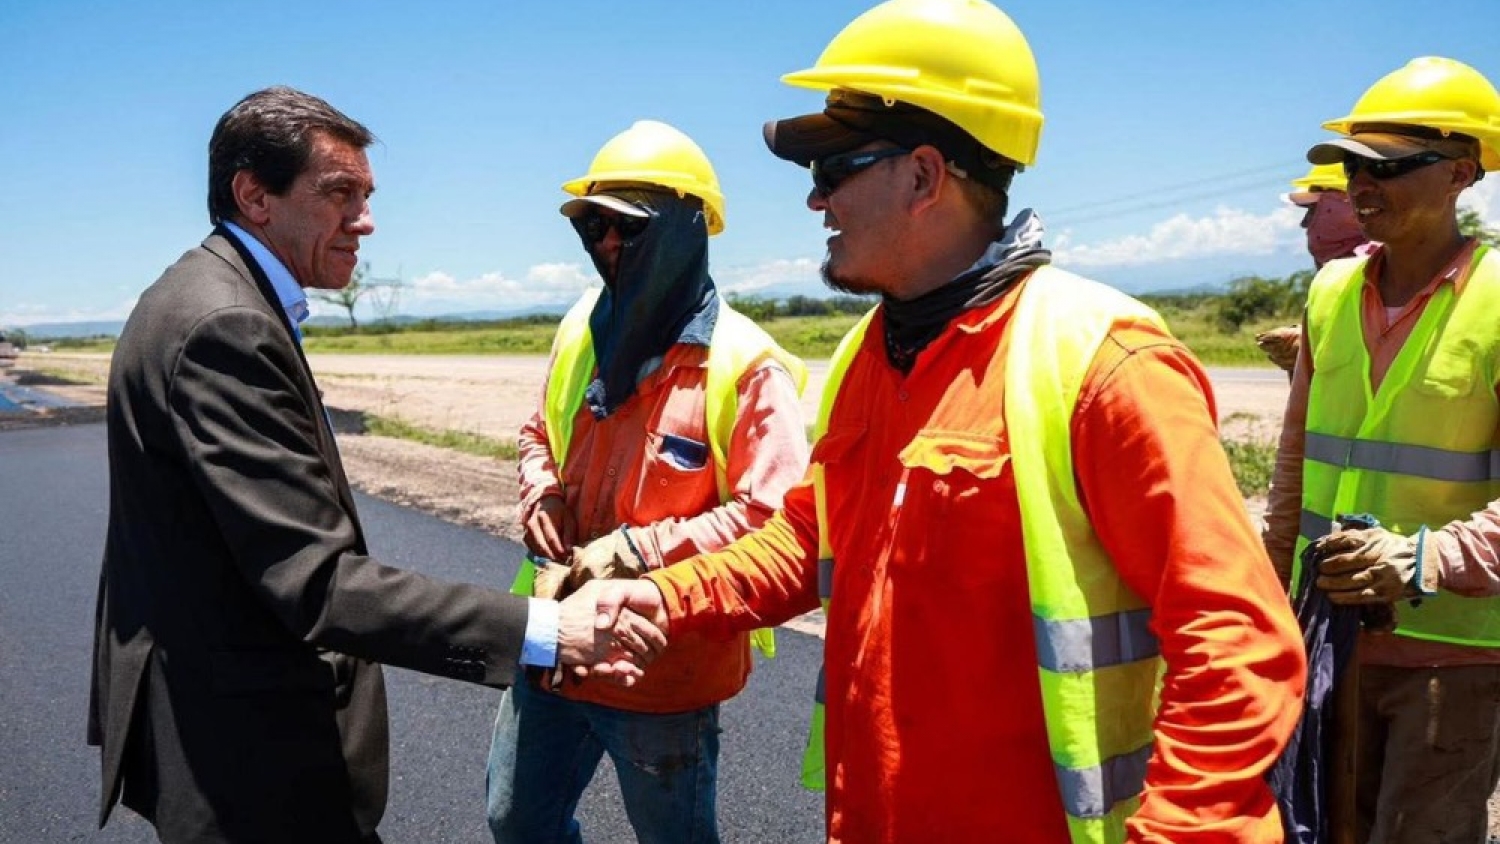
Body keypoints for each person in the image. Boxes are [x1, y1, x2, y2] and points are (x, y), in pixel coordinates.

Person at [584, 1, 1308, 841]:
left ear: (925, 176)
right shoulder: (868, 353)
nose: (815, 199)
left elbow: (1234, 642)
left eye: (835, 169)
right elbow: (810, 540)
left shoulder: (1103, 362)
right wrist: (661, 593)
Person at [87, 86, 662, 844]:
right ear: (254, 196)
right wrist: (547, 628)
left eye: (366, 196)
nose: (364, 220)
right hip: (243, 751)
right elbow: (317, 581)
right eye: (339, 194)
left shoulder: (205, 293)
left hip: (214, 713)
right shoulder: (226, 325)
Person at [484, 120, 810, 844]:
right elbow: (539, 430)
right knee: (516, 820)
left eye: (628, 228)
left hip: (660, 666)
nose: (606, 244)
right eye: (592, 226)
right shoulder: (581, 328)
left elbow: (777, 521)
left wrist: (640, 549)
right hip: (555, 640)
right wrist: (542, 491)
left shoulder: (747, 366)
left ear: (684, 231)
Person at [1261, 56, 1500, 843]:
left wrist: (1423, 558)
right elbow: (1294, 463)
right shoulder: (1330, 292)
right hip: (1328, 633)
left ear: (1461, 172)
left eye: (1389, 167)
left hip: (1453, 656)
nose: (1363, 183)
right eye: (1353, 166)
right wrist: (1268, 593)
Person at [1256, 163, 1374, 374]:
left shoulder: (1391, 270)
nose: (1305, 223)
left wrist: (1312, 349)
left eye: (1313, 209)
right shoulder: (1330, 279)